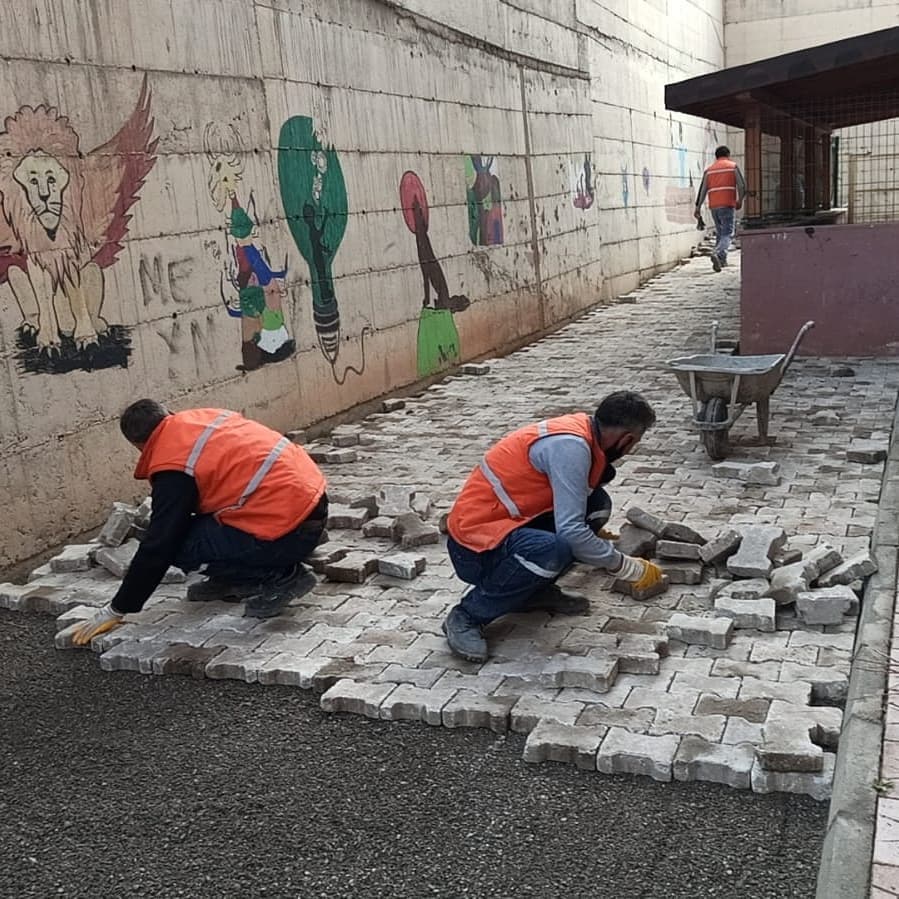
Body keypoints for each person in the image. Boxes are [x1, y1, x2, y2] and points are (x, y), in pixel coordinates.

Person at [72, 400, 328, 645]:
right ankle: (233, 578)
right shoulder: (204, 421)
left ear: (140, 445)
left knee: (179, 546)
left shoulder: (173, 465)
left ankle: (280, 576)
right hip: (312, 506)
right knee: (190, 528)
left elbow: (159, 544)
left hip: (289, 531)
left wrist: (118, 608)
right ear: (167, 414)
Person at [442, 391, 664, 662]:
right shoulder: (571, 447)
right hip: (475, 547)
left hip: (508, 522)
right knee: (553, 549)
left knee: (597, 505)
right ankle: (467, 615)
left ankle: (531, 591)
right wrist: (624, 565)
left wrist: (590, 539)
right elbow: (571, 531)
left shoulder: (584, 430)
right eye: (635, 444)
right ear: (626, 439)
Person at [694, 146, 746, 273]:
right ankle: (718, 253)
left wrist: (698, 207)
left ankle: (722, 261)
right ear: (728, 155)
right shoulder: (732, 166)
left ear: (716, 156)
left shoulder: (709, 170)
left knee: (720, 232)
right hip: (728, 204)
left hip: (714, 206)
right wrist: (740, 200)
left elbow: (703, 190)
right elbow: (741, 185)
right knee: (728, 233)